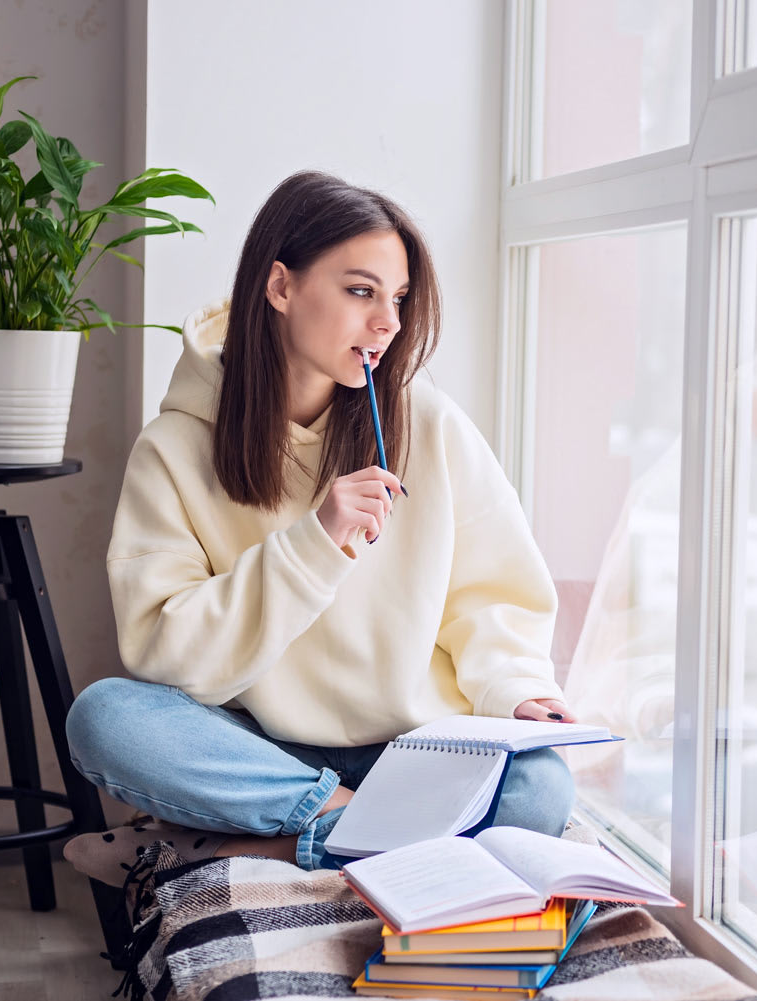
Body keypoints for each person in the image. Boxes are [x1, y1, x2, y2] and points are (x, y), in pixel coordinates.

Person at [62, 170, 576, 881]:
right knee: (106, 718)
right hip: (264, 750)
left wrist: (517, 687)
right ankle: (355, 824)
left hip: (414, 744)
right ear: (280, 287)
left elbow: (491, 593)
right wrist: (313, 545)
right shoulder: (176, 448)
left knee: (543, 785)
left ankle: (256, 844)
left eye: (397, 298)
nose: (389, 323)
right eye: (361, 291)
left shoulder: (426, 421)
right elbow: (162, 647)